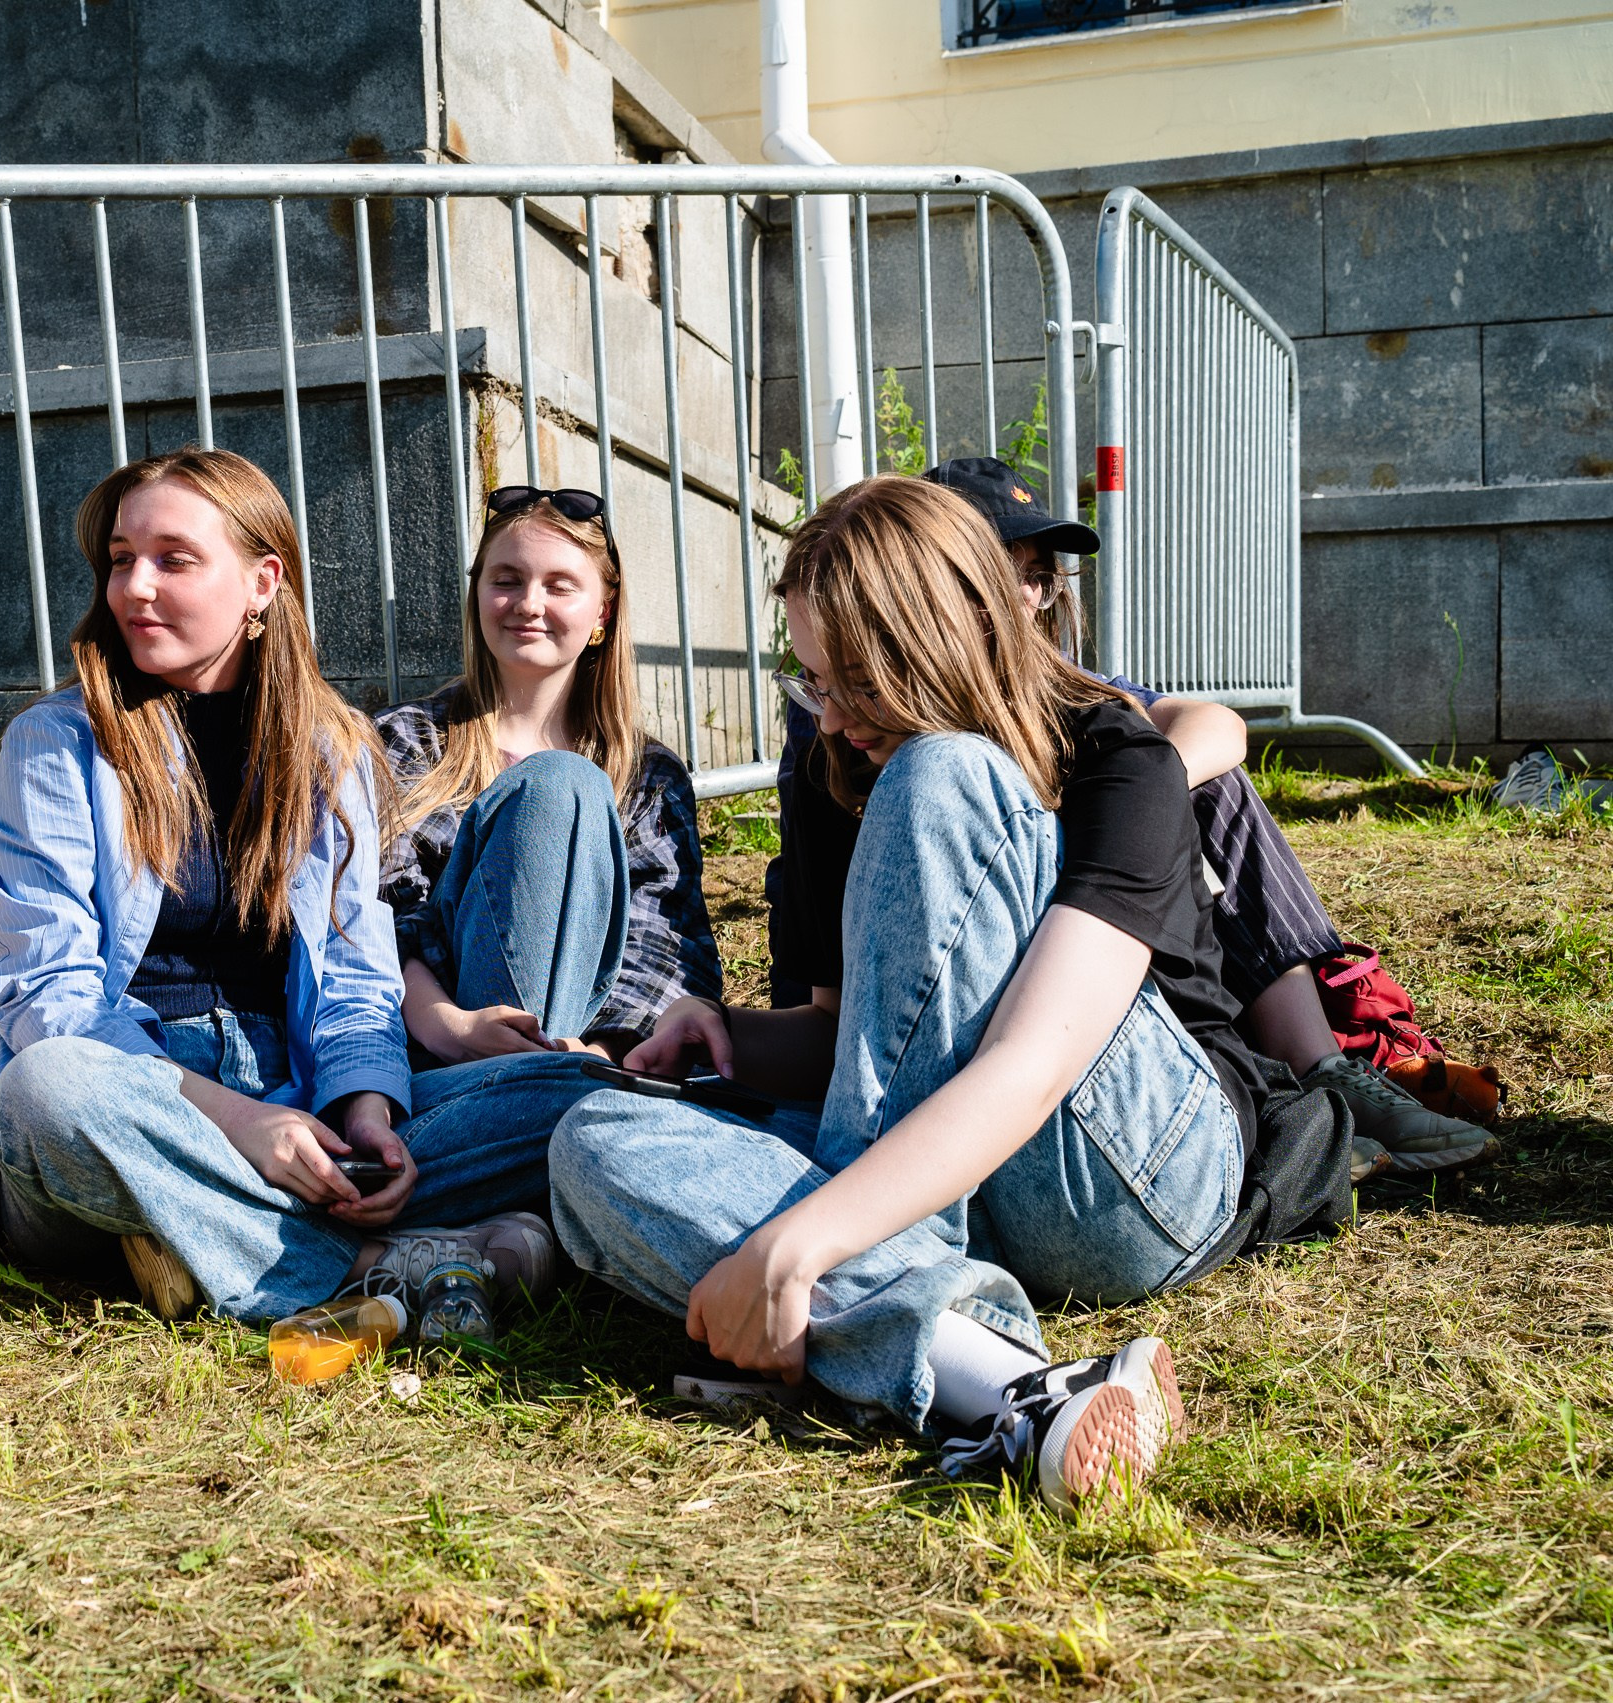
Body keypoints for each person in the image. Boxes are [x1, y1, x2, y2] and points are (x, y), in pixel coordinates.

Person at [554, 474, 1263, 1509]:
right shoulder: (833, 765)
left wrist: (806, 1239)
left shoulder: (1118, 756)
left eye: (856, 683)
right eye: (813, 682)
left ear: (950, 638)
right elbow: (868, 1043)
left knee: (941, 775)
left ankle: (861, 1292)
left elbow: (1029, 1064)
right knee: (591, 1138)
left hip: (1133, 1173)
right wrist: (733, 1040)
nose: (832, 719)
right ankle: (1004, 1385)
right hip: (953, 1189)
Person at [0, 449, 592, 1346]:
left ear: (263, 582)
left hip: (297, 1098)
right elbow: (53, 1006)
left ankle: (204, 1235)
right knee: (45, 1086)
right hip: (132, 1105)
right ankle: (365, 1265)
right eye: (119, 559)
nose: (133, 587)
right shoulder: (57, 746)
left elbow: (355, 973)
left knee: (571, 1090)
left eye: (172, 559)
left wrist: (366, 1113)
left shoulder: (328, 745)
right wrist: (238, 1123)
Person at [767, 456, 1494, 1181]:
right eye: (1003, 564)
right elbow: (833, 1021)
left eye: (1039, 572)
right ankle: (1298, 1111)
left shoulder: (1073, 709)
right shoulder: (836, 746)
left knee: (1195, 780)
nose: (1028, 592)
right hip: (961, 1066)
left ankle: (1316, 1075)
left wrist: (1132, 801)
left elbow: (1209, 728)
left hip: (1077, 1067)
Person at [376, 485, 722, 1066]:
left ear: (602, 613)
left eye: (559, 585)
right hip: (430, 1059)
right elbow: (373, 917)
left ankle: (536, 1089)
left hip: (589, 1063)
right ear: (477, 593)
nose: (528, 603)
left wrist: (594, 1052)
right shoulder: (402, 740)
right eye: (505, 580)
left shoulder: (647, 776)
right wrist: (451, 1029)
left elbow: (663, 946)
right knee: (560, 786)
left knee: (567, 783)